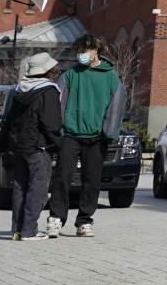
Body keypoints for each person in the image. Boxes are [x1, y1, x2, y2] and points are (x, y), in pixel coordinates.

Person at [47, 35, 124, 238]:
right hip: (70, 134)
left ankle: (85, 220)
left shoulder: (111, 77)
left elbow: (115, 108)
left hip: (97, 137)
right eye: (79, 51)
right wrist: (59, 131)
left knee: (92, 181)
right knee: (62, 177)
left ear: (96, 50)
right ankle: (56, 217)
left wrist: (109, 133)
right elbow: (59, 103)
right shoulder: (70, 75)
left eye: (86, 50)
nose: (82, 55)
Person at [0, 52, 63, 241]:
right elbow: (51, 124)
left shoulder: (19, 90)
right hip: (38, 147)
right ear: (48, 71)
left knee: (20, 188)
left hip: (18, 146)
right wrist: (58, 144)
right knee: (38, 190)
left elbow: (8, 119)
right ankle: (29, 231)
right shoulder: (48, 91)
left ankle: (17, 230)